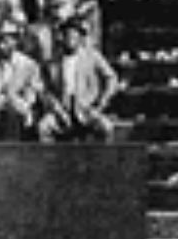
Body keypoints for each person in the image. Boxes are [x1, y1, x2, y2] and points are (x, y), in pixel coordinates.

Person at [37, 15, 120, 143]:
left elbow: (111, 78)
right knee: (44, 127)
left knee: (106, 127)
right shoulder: (53, 62)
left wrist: (102, 101)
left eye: (74, 36)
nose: (70, 40)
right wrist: (57, 109)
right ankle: (51, 160)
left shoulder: (92, 56)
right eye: (67, 36)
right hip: (62, 110)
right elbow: (45, 89)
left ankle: (101, 161)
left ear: (80, 38)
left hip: (87, 108)